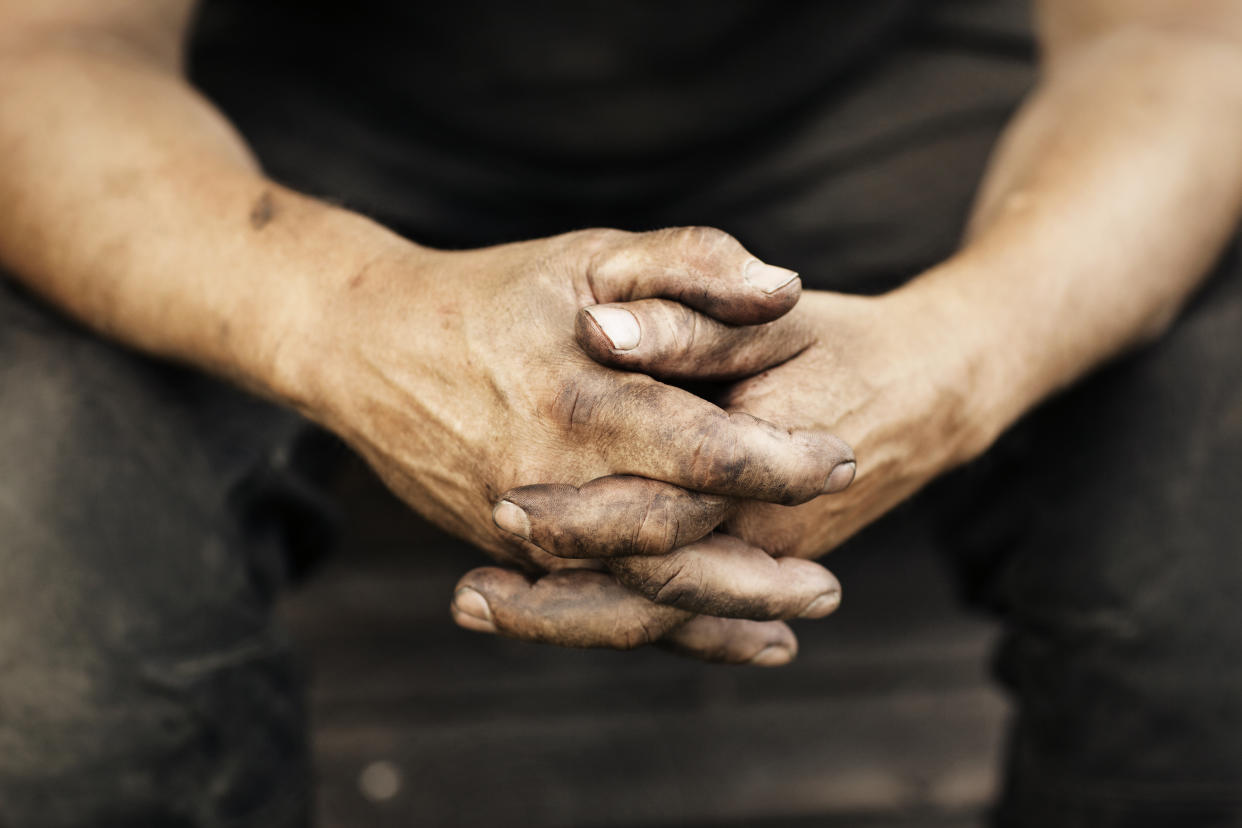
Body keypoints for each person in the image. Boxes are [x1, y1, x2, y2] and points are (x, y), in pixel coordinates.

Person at [1, 1, 1240, 826]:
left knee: (1212, 595)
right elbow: (51, 49)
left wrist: (961, 359)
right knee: (59, 666)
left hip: (900, 94)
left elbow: (1179, 38)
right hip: (284, 125)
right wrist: (345, 316)